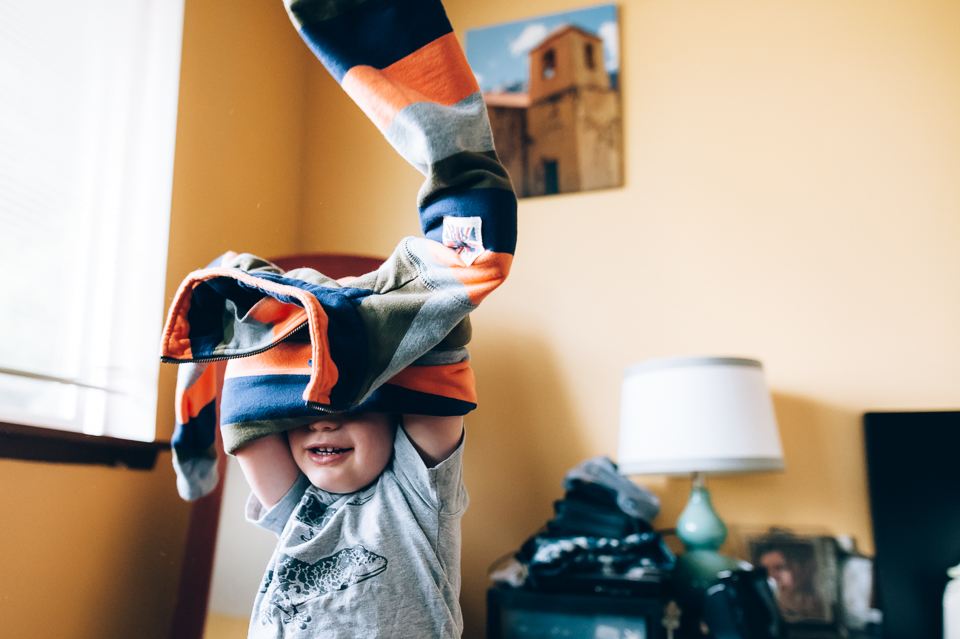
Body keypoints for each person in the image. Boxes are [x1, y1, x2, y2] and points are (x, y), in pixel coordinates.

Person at [158, 0, 517, 636]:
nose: (324, 418)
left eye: (350, 404)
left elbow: (439, 354)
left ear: (395, 413)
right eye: (306, 412)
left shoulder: (416, 494)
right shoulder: (299, 507)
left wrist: (446, 252)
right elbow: (249, 414)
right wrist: (236, 289)